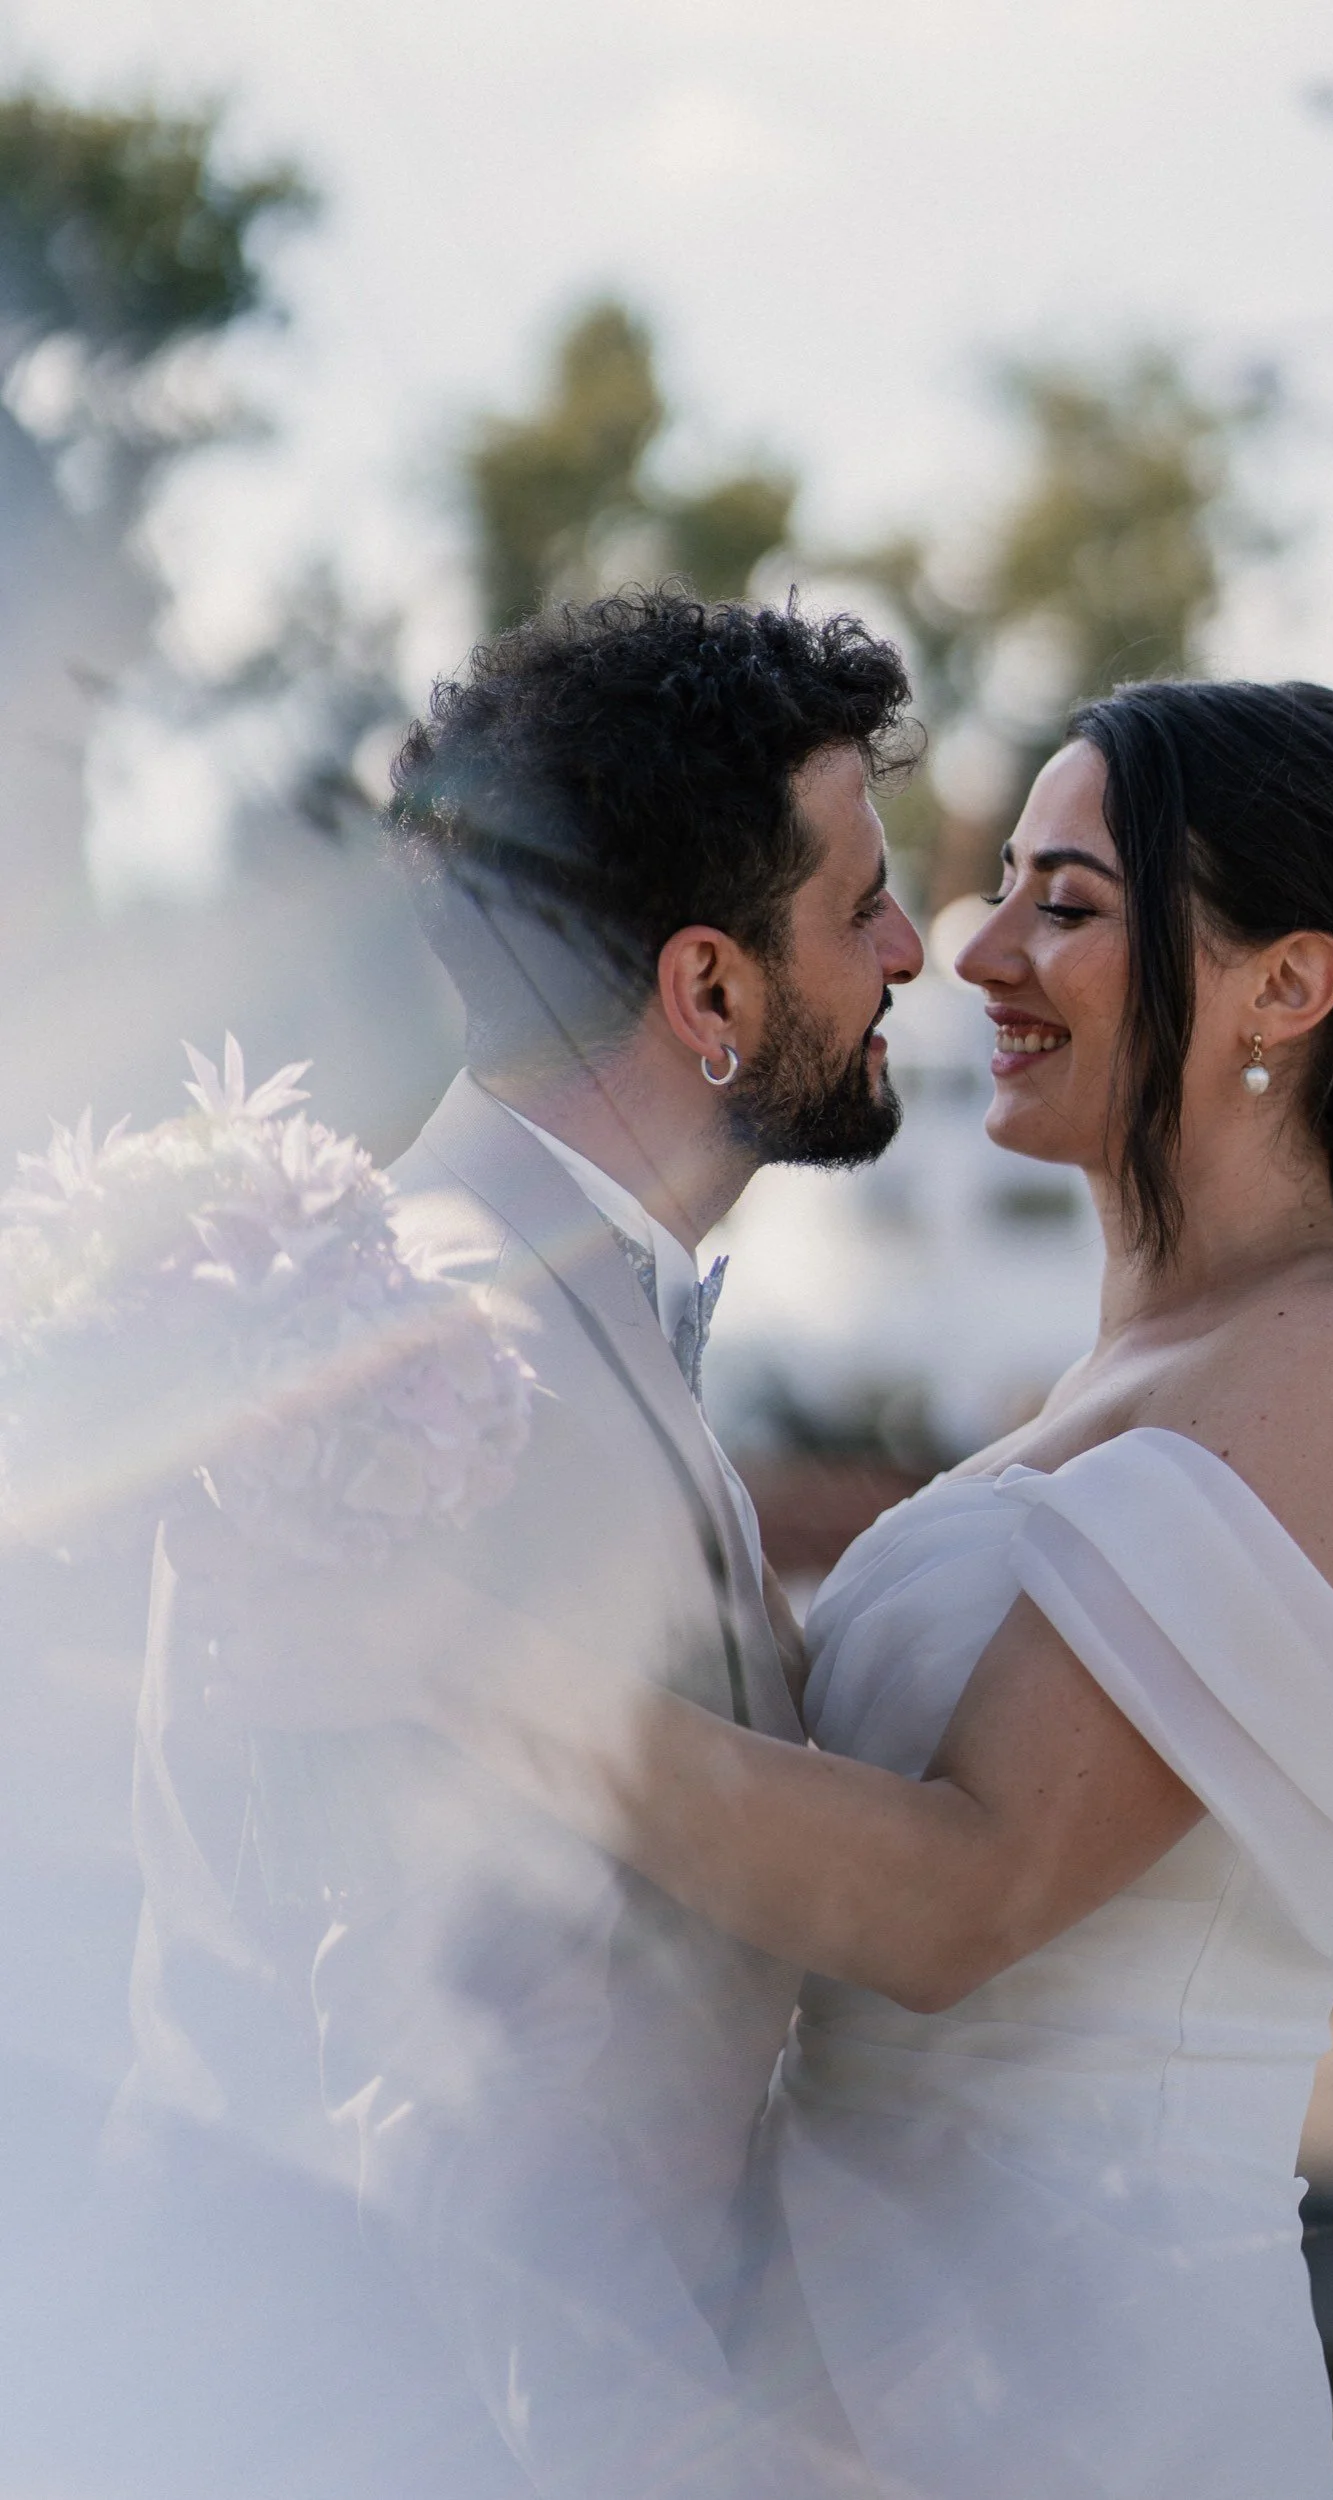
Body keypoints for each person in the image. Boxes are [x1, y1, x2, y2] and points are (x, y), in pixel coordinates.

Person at [422, 676, 1333, 2498]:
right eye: (1002, 885)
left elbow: (956, 1895)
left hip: (1068, 2389)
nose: (973, 949)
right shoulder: (1096, 1397)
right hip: (831, 2356)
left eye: (1066, 904)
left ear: (1285, 988)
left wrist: (450, 1668)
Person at [101, 590, 925, 2500]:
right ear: (706, 992)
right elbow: (448, 2086)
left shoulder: (524, 1307)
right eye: (856, 903)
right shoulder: (460, 1380)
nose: (909, 948)